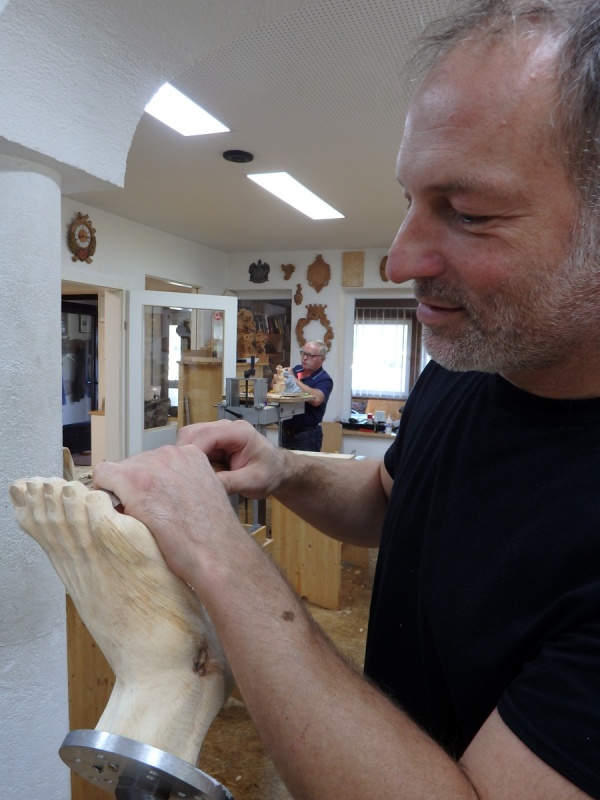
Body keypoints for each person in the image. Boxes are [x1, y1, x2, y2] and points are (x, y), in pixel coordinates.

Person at [93, 2, 600, 798]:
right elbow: (392, 499)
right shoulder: (472, 360)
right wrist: (282, 470)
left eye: (468, 213)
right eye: (409, 200)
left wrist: (223, 559)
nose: (398, 261)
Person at [280, 340, 333, 451]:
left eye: (310, 355)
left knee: (305, 463)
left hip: (307, 435)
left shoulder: (324, 379)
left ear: (322, 359)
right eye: (303, 353)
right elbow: (278, 387)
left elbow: (317, 399)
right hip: (285, 432)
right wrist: (279, 376)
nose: (304, 358)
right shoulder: (296, 369)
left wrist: (293, 380)